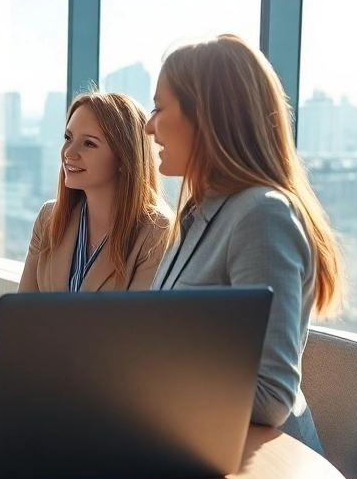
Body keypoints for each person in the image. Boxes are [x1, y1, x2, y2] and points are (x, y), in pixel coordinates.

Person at [145, 34, 343, 454]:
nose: (149, 126)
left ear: (206, 116)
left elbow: (271, 396)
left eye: (159, 109)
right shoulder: (199, 213)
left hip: (262, 468)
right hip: (193, 442)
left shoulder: (261, 216)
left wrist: (140, 384)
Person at [0, 91, 172, 375]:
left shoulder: (156, 231)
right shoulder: (50, 218)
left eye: (89, 143)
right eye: (68, 138)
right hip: (45, 378)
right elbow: (26, 315)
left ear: (124, 157)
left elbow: (131, 341)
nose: (69, 153)